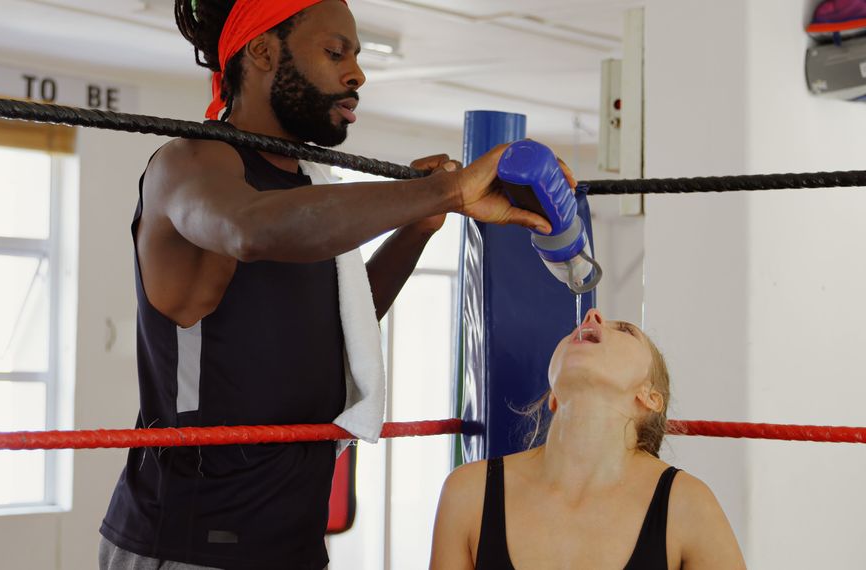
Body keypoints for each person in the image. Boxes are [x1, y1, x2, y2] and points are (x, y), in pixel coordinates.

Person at [99, 1, 570, 568]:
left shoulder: (308, 187)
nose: (357, 75)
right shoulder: (191, 162)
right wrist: (444, 191)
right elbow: (249, 229)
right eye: (334, 52)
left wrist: (416, 227)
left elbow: (340, 320)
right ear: (263, 52)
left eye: (357, 56)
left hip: (294, 540)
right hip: (189, 543)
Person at [430, 309, 746, 569]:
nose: (591, 316)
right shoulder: (468, 493)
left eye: (624, 330)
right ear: (554, 396)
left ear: (650, 397)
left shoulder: (689, 506)